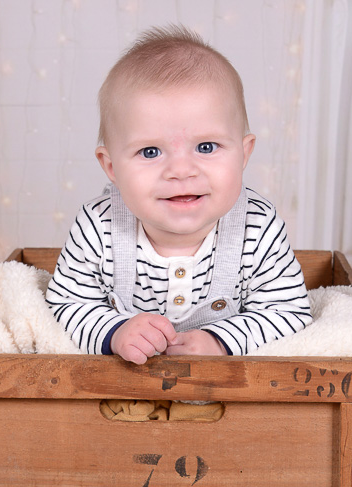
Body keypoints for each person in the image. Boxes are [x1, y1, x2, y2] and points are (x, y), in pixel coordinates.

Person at [46, 25, 312, 365]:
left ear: (243, 155)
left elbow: (289, 313)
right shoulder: (99, 226)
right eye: (150, 152)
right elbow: (65, 307)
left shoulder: (258, 227)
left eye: (206, 146)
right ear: (111, 167)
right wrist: (115, 333)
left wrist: (221, 342)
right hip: (127, 395)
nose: (181, 171)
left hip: (228, 398)